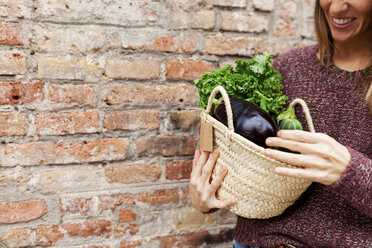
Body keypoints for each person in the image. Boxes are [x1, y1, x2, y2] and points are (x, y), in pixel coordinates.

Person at [189, 0, 372, 247]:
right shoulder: (288, 66)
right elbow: (241, 159)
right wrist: (206, 194)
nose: (336, 8)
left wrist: (350, 171)